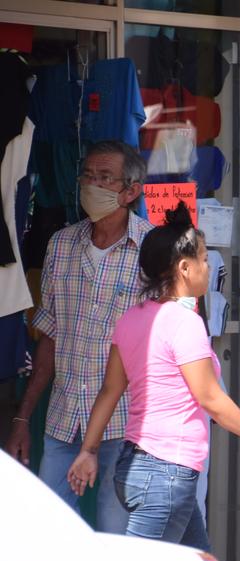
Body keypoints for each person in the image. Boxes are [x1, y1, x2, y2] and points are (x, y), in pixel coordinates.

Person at [65, 202, 240, 548]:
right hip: (166, 473)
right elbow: (211, 399)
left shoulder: (132, 319)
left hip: (137, 467)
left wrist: (88, 450)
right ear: (184, 268)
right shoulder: (185, 324)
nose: (207, 266)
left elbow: (110, 391)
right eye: (203, 259)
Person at [5, 140, 152, 533]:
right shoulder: (61, 245)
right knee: (50, 535)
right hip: (64, 419)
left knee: (116, 536)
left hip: (125, 428)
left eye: (105, 178)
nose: (93, 185)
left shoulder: (153, 251)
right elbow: (49, 337)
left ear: (131, 190)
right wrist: (23, 417)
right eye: (88, 175)